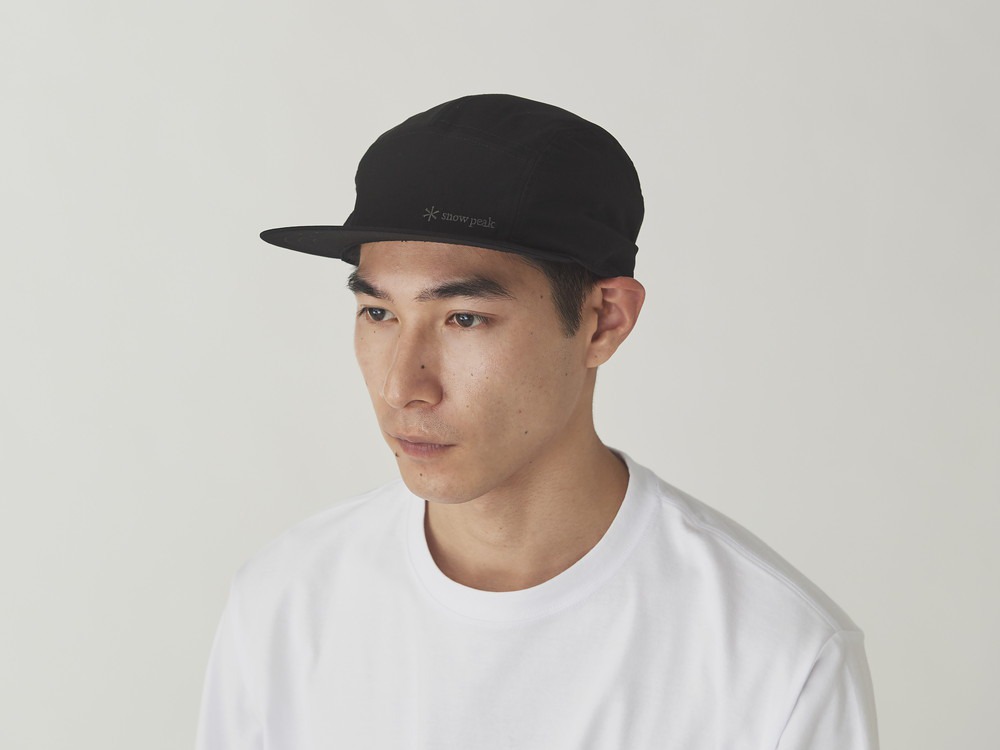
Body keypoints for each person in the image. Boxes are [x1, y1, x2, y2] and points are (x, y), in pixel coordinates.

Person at [196, 94, 879, 749]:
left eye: (465, 318)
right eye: (379, 313)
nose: (403, 385)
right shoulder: (285, 603)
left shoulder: (775, 654)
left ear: (604, 321)